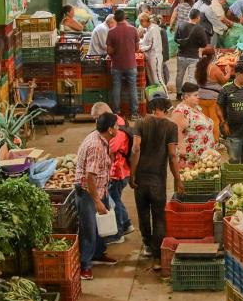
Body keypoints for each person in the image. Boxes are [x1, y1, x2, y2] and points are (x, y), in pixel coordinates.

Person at [129, 95, 183, 271]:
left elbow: (135, 149)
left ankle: (146, 245)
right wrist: (178, 179)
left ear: (151, 109)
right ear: (166, 109)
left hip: (140, 178)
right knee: (159, 216)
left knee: (143, 213)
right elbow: (173, 156)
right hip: (157, 180)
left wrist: (132, 174)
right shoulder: (171, 126)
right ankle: (158, 256)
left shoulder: (140, 124)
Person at [75, 112, 118, 280]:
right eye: (116, 125)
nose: (118, 127)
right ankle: (84, 265)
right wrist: (97, 201)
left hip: (100, 188)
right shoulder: (96, 146)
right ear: (109, 129)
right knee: (89, 229)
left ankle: (98, 253)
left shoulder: (100, 138)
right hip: (88, 192)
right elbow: (89, 177)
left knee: (102, 225)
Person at [90, 102, 134, 245]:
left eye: (98, 118)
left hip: (117, 172)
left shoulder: (116, 129)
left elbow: (110, 149)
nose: (97, 122)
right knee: (117, 200)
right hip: (122, 170)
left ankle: (118, 234)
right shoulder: (119, 121)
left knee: (114, 202)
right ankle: (127, 224)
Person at [171, 82, 216, 168]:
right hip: (191, 157)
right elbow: (175, 131)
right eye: (195, 95)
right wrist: (181, 148)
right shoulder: (181, 111)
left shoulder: (196, 107)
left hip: (204, 156)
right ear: (186, 97)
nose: (198, 97)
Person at [106, 9, 141, 118]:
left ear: (115, 19)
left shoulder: (111, 32)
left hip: (116, 65)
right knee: (133, 88)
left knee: (116, 88)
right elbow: (137, 48)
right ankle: (134, 114)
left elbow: (109, 51)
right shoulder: (133, 30)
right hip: (131, 64)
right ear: (125, 17)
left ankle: (116, 113)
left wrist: (115, 53)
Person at [174, 8, 209, 95]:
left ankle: (178, 93)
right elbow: (205, 44)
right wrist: (197, 45)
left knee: (179, 75)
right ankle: (190, 95)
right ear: (197, 17)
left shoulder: (181, 25)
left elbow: (175, 39)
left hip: (181, 55)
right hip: (193, 56)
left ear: (189, 16)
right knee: (192, 77)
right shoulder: (200, 29)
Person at [138, 12, 165, 87]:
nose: (141, 24)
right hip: (149, 57)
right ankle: (156, 97)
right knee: (152, 79)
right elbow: (146, 41)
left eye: (141, 22)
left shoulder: (153, 29)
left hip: (154, 57)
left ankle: (165, 97)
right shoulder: (148, 29)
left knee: (157, 79)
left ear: (144, 21)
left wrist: (141, 49)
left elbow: (152, 45)